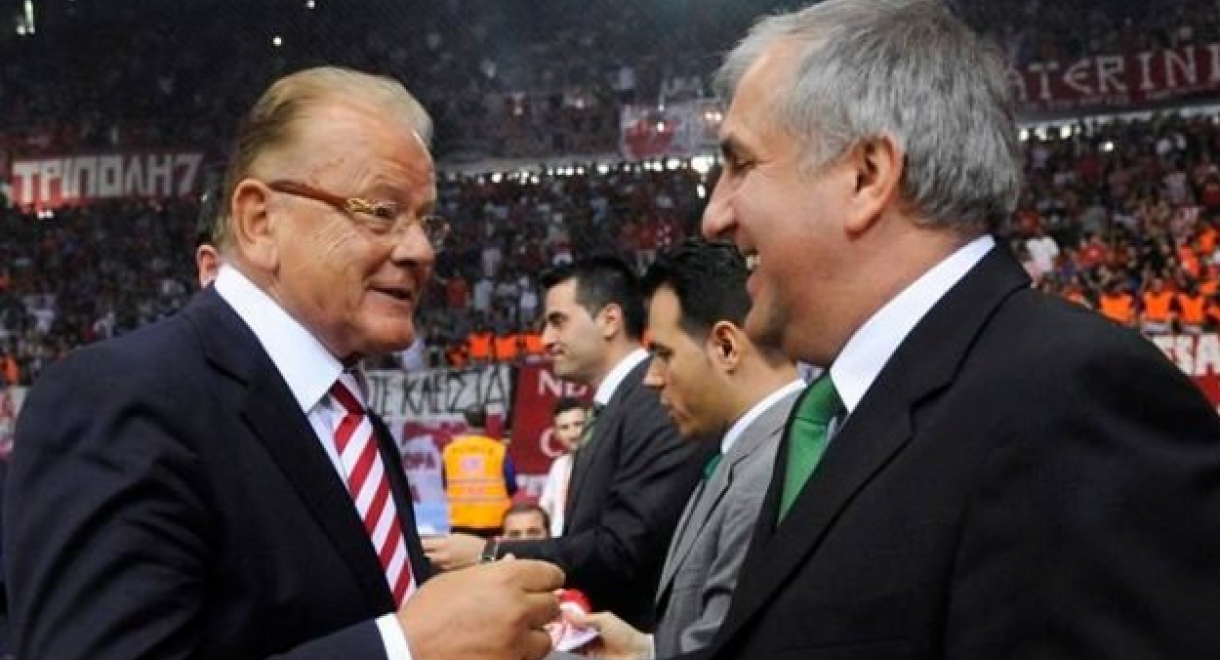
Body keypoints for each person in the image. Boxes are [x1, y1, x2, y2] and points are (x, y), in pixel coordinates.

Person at [695, 1, 1220, 658]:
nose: (714, 216)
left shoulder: (1073, 398)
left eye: (741, 164)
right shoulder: (830, 413)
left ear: (867, 176)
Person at [4, 66, 562, 660]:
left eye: (427, 222)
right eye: (381, 211)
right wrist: (404, 648)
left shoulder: (356, 425)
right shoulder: (117, 397)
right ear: (260, 221)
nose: (420, 249)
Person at [425, 255, 707, 631]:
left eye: (558, 321)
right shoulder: (616, 405)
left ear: (609, 320)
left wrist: (491, 551)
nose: (545, 340)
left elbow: (624, 549)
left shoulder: (653, 402)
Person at [572, 239, 803, 659]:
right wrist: (647, 651)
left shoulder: (770, 473)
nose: (651, 378)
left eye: (663, 354)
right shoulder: (747, 455)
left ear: (726, 347)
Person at [442, 403, 518, 537]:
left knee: (464, 551)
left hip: (462, 521)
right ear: (486, 421)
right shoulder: (498, 450)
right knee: (491, 551)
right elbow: (511, 484)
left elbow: (446, 484)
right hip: (494, 521)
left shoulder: (450, 451)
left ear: (466, 422)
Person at [537, 396, 587, 537]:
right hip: (559, 541)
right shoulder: (559, 465)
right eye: (564, 427)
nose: (573, 433)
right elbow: (545, 508)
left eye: (578, 424)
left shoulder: (606, 461)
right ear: (556, 434)